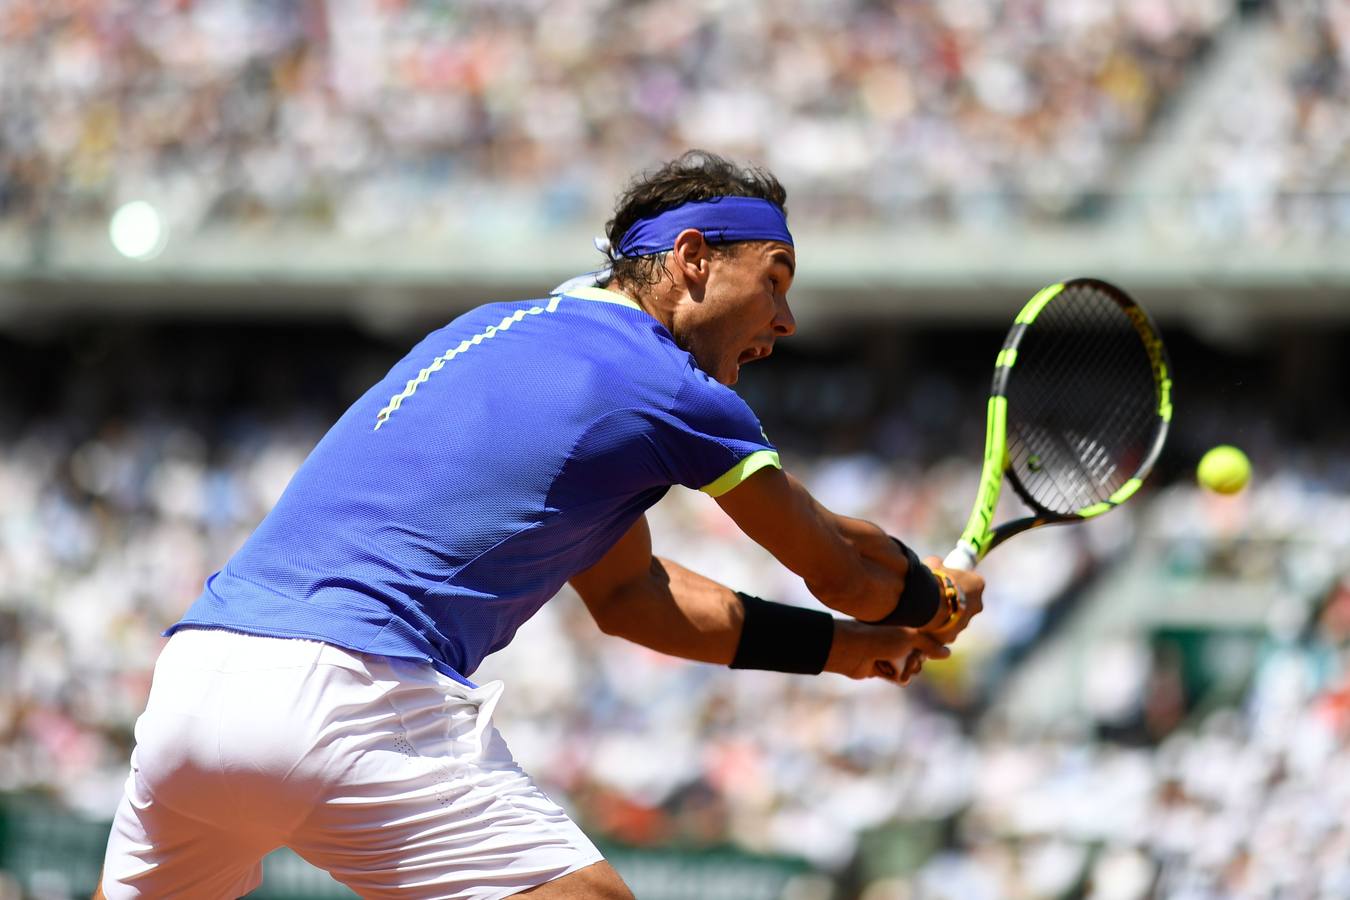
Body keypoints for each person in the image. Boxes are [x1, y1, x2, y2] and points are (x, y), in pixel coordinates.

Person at [98, 151, 985, 899]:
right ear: (692, 260)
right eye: (775, 280)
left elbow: (635, 596)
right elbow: (836, 566)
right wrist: (929, 593)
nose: (786, 321)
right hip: (350, 690)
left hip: (196, 680)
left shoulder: (491, 328)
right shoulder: (674, 388)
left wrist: (842, 648)